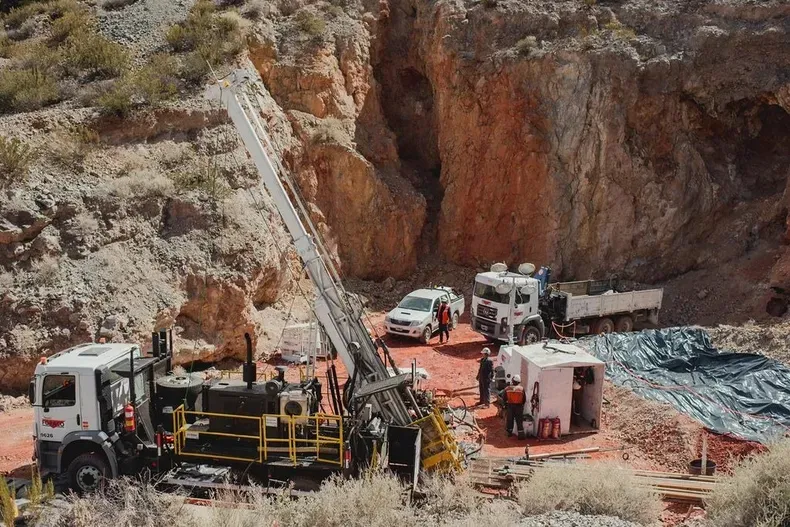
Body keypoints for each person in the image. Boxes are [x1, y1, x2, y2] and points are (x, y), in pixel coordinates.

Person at [502, 375, 526, 439]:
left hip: (510, 406)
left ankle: (509, 433)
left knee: (510, 420)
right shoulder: (521, 389)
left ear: (513, 381)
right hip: (519, 407)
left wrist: (505, 405)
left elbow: (504, 398)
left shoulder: (507, 388)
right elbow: (524, 399)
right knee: (519, 421)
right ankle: (521, 435)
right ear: (519, 382)